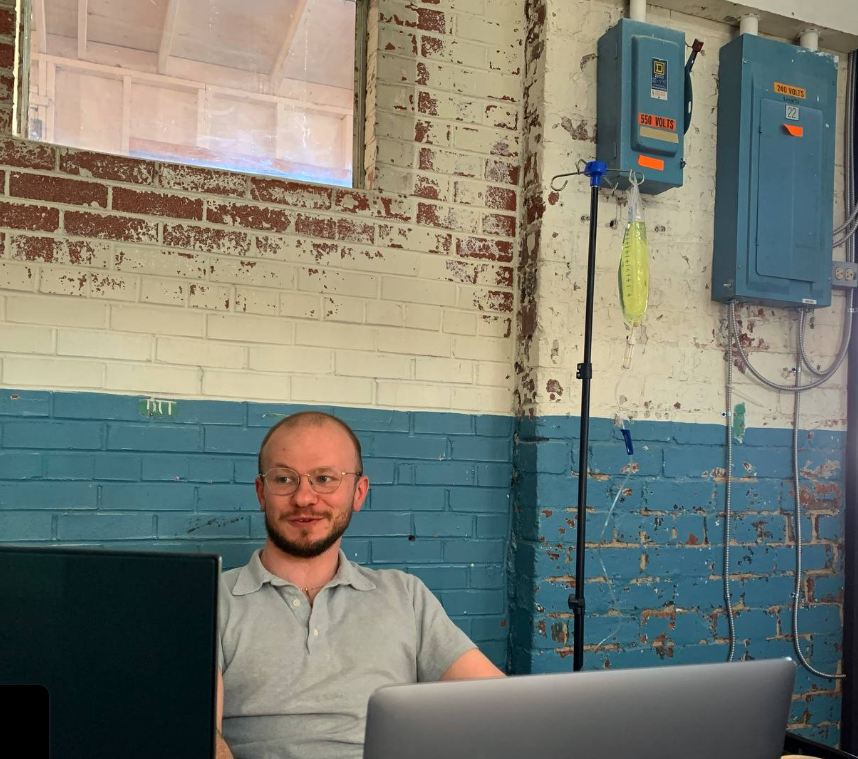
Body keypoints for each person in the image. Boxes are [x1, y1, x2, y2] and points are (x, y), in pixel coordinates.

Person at [216, 411, 504, 759]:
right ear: (262, 493)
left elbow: (500, 707)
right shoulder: (211, 600)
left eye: (324, 479)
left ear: (358, 492)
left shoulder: (405, 597)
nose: (304, 498)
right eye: (284, 479)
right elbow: (197, 731)